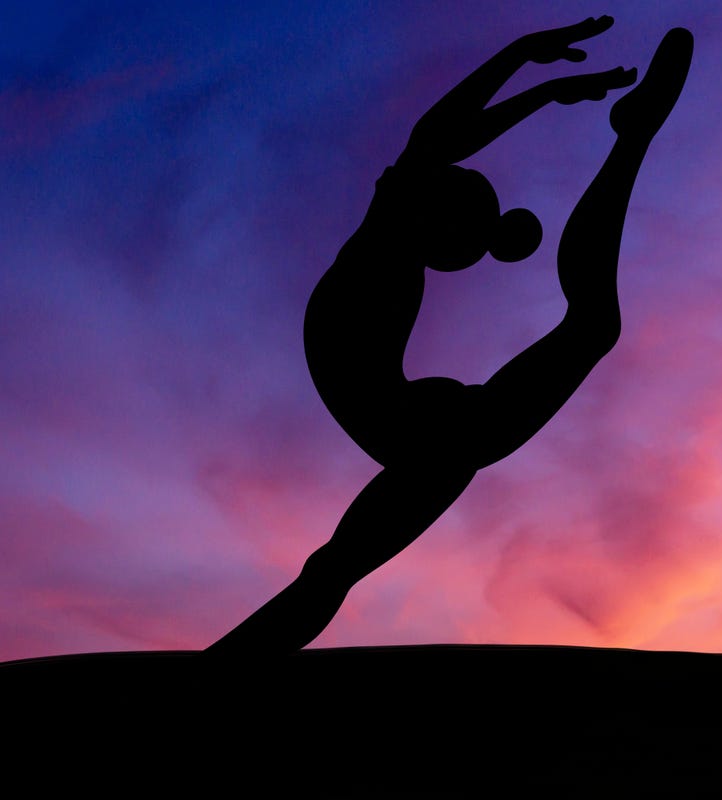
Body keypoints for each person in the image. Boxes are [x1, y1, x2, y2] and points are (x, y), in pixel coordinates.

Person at [207, 19, 694, 657]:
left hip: (425, 430)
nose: (478, 245)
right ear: (435, 207)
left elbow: (439, 148)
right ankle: (631, 140)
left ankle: (632, 138)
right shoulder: (388, 230)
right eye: (473, 223)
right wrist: (525, 66)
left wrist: (534, 79)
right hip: (421, 427)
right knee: (593, 323)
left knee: (334, 571)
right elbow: (437, 137)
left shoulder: (395, 243)